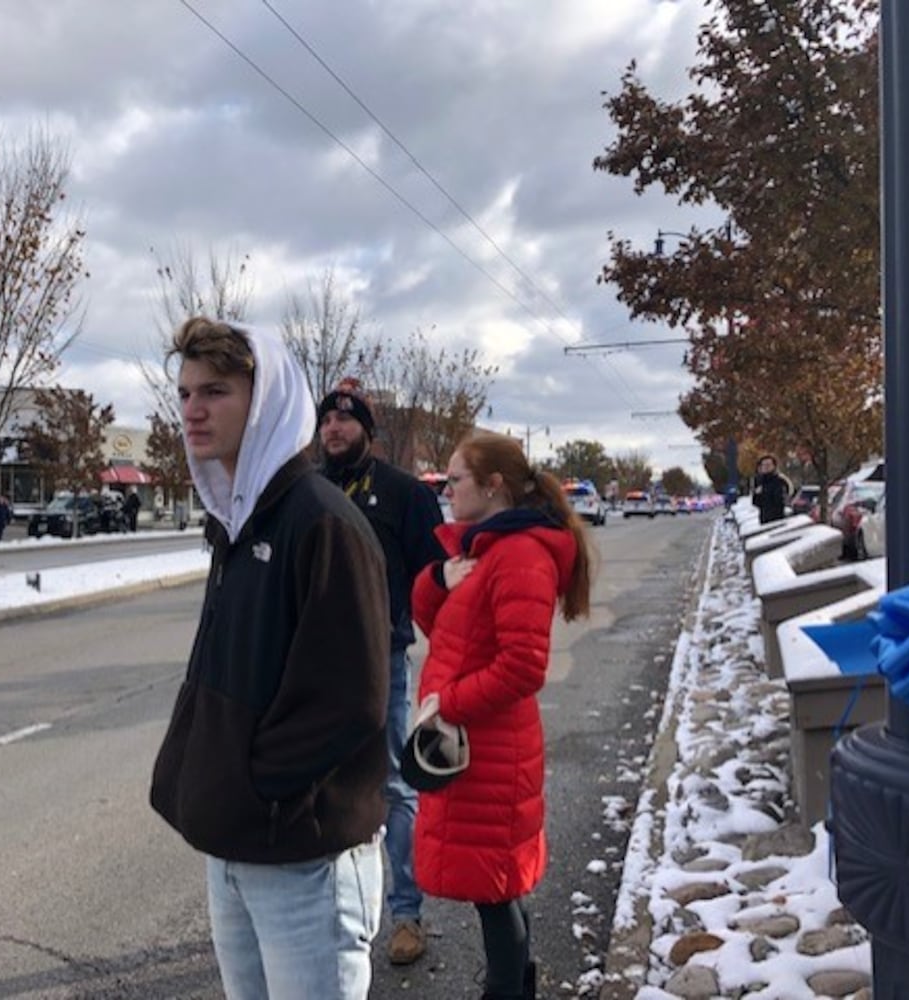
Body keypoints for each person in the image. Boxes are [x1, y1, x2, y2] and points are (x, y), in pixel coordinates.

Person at [150, 317, 391, 1000]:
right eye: (186, 392)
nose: (193, 409)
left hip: (303, 857)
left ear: (267, 402)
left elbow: (351, 701)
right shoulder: (236, 523)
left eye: (216, 391)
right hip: (237, 846)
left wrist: (252, 787)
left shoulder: (321, 524)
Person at [410, 432, 595, 1000]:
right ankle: (516, 985)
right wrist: (439, 578)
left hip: (488, 747)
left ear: (492, 486)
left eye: (455, 480)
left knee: (494, 891)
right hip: (477, 745)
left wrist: (450, 705)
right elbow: (440, 627)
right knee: (496, 886)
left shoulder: (519, 556)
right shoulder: (486, 549)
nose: (447, 490)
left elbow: (523, 667)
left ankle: (508, 990)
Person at [317, 376, 445, 966]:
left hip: (383, 662)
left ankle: (406, 914)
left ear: (368, 431)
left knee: (394, 787)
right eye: (326, 422)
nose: (333, 429)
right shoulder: (308, 492)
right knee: (325, 787)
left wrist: (446, 655)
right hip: (316, 669)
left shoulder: (404, 494)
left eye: (345, 421)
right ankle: (335, 913)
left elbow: (435, 580)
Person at [751, 454, 792, 524]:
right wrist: (757, 494)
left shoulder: (779, 480)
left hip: (777, 520)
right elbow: (755, 503)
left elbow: (780, 501)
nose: (766, 467)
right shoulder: (759, 481)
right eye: (763, 465)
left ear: (774, 466)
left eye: (768, 465)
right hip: (764, 519)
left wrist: (765, 491)